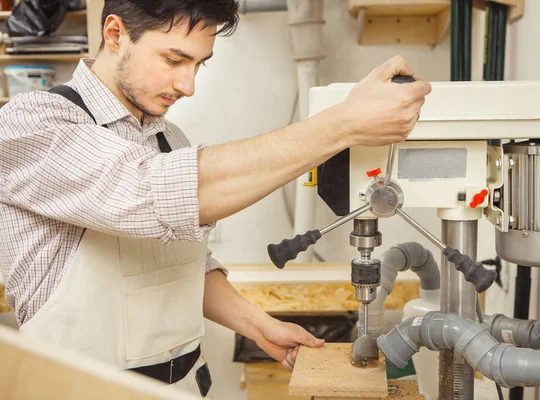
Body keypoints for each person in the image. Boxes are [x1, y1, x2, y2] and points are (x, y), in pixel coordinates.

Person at [0, 0, 431, 397]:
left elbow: (183, 263)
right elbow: (148, 191)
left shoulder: (170, 140)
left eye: (198, 64)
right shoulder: (33, 122)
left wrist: (260, 326)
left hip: (184, 387)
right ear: (115, 35)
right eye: (174, 59)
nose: (187, 85)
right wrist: (343, 124)